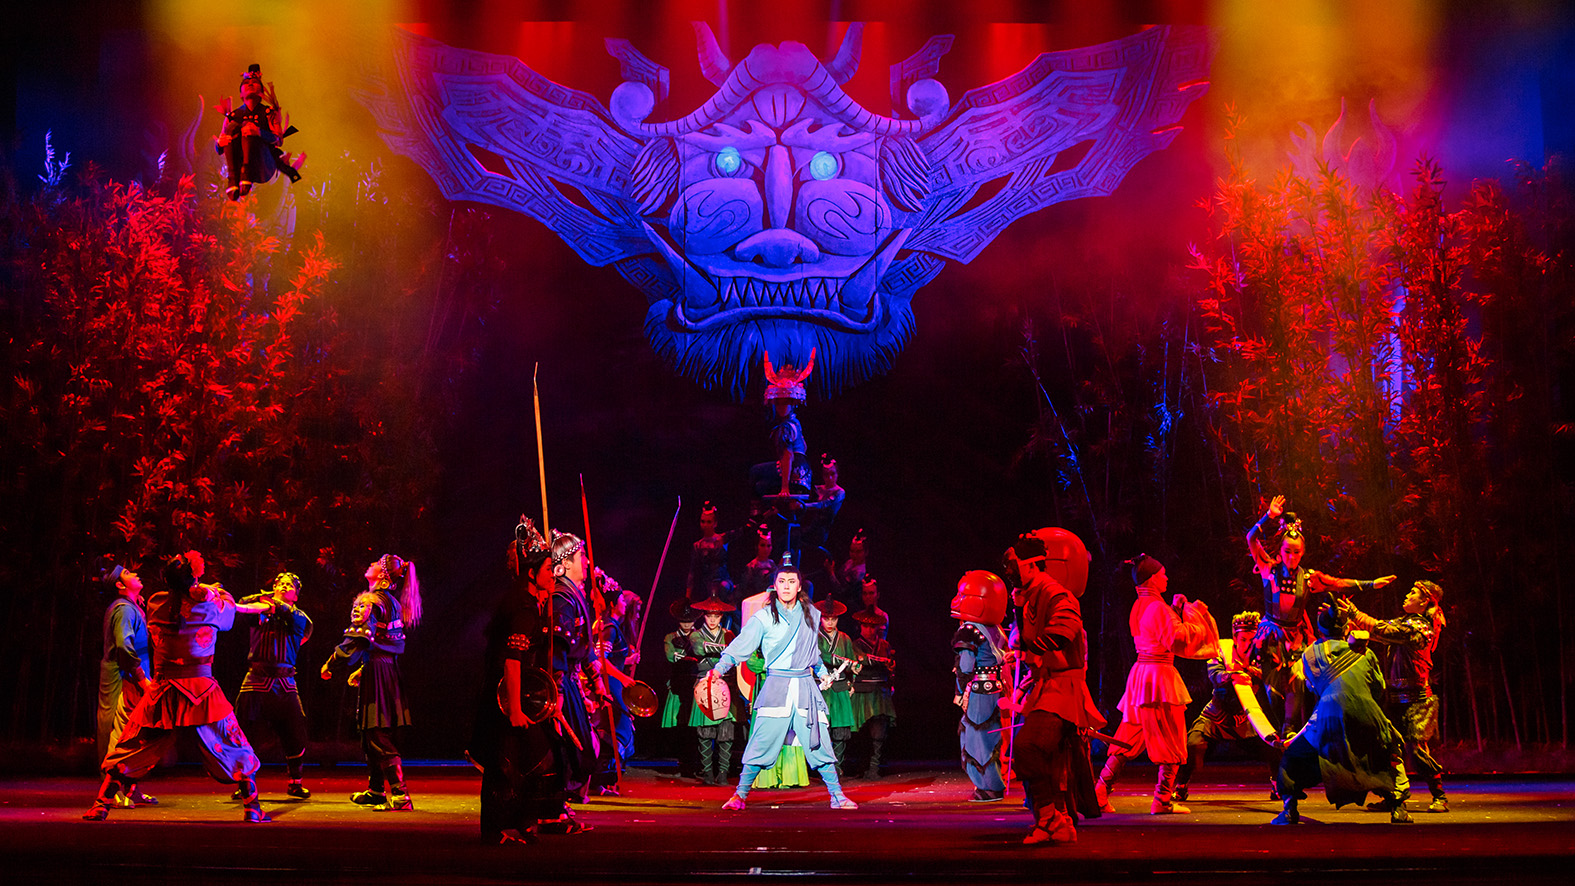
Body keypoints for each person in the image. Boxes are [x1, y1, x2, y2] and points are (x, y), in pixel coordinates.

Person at [86, 551, 272, 822]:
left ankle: (101, 803)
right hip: (201, 689)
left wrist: (195, 587)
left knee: (132, 745)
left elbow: (178, 599)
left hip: (164, 689)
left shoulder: (155, 603)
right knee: (232, 743)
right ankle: (252, 807)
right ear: (193, 580)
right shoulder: (210, 607)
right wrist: (210, 590)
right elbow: (229, 611)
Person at [700, 565, 858, 811]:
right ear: (775, 586)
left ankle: (837, 796)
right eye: (782, 581)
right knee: (760, 741)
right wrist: (719, 669)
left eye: (791, 581)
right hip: (776, 687)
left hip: (805, 688)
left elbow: (813, 655)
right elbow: (741, 645)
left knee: (819, 742)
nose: (786, 586)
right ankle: (739, 796)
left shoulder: (811, 615)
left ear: (799, 586)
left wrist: (823, 674)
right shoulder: (763, 617)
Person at [1246, 496, 1396, 732]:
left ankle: (1289, 728)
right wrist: (1268, 516)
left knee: (1297, 681)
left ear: (1303, 553)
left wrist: (1371, 584)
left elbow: (1338, 583)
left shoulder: (1309, 578)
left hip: (1296, 638)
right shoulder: (1268, 569)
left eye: (1296, 552)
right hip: (1271, 637)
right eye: (1287, 551)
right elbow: (1251, 539)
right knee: (1272, 691)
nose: (1291, 557)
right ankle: (1276, 730)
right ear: (1281, 551)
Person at [1094, 555, 1216, 814]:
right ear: (1151, 579)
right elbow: (1178, 639)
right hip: (1159, 678)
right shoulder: (1156, 608)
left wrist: (1176, 610)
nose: (1166, 578)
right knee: (1171, 736)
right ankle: (1162, 799)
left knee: (1129, 735)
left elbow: (1159, 631)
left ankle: (1100, 791)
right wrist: (1195, 614)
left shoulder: (1140, 605)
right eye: (1162, 574)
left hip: (1142, 676)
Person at [1005, 529, 1105, 845]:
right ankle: (1055, 822)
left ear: (1031, 565)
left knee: (1028, 746)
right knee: (1049, 760)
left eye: (1015, 566)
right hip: (1046, 686)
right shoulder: (1032, 595)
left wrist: (1031, 649)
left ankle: (1052, 819)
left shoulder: (1056, 594)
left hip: (1063, 688)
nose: (1011, 573)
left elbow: (1065, 629)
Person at [1271, 603, 1413, 825]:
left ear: (1320, 629)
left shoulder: (1309, 654)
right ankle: (1399, 808)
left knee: (1293, 757)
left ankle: (1289, 809)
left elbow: (1313, 687)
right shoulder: (1365, 653)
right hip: (1368, 712)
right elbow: (1378, 688)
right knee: (1388, 752)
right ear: (1347, 628)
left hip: (1329, 715)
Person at [474, 523, 570, 845]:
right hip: (507, 695)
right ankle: (496, 830)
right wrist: (514, 708)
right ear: (531, 573)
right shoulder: (522, 607)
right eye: (548, 569)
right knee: (507, 763)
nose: (553, 574)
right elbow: (512, 661)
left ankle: (521, 823)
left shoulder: (532, 602)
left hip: (522, 693)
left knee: (527, 760)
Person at [321, 553, 422, 811]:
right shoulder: (392, 602)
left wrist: (331, 662)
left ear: (383, 576)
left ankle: (400, 794)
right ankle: (376, 790)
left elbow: (357, 639)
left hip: (378, 670)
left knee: (376, 731)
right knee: (370, 731)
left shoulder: (370, 600)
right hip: (386, 669)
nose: (371, 564)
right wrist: (364, 666)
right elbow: (389, 642)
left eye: (376, 563)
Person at [1341, 580, 1450, 812]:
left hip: (1417, 700)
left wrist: (1355, 613)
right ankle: (1393, 795)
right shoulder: (1404, 622)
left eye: (1413, 593)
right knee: (1386, 747)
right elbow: (1379, 633)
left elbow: (1382, 630)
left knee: (1416, 750)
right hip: (1394, 697)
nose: (1407, 595)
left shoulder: (1420, 627)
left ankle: (1439, 795)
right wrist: (1351, 622)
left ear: (1424, 602)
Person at [1174, 611, 1283, 803]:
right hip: (1217, 716)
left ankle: (1278, 786)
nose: (1247, 644)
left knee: (1273, 746)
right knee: (1193, 745)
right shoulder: (1221, 651)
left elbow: (1272, 676)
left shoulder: (1262, 655)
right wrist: (1232, 675)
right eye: (1243, 639)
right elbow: (1214, 675)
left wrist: (1254, 671)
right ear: (1235, 637)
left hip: (1246, 719)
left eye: (1252, 639)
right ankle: (1180, 786)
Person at [233, 572, 314, 799]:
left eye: (289, 585)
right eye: (279, 584)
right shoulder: (259, 611)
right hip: (255, 678)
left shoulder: (300, 617)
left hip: (284, 681)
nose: (283, 586)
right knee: (243, 730)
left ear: (296, 595)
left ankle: (295, 782)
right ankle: (244, 783)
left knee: (295, 731)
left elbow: (288, 614)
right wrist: (265, 601)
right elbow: (243, 603)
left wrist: (272, 602)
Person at [94, 560, 154, 806]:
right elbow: (124, 646)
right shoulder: (124, 610)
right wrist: (142, 678)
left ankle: (130, 788)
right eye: (128, 573)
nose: (136, 573)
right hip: (122, 677)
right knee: (118, 732)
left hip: (130, 676)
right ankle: (111, 791)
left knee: (132, 733)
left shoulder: (133, 607)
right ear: (120, 585)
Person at [548, 531, 600, 803]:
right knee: (569, 746)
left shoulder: (575, 596)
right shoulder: (561, 599)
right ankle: (556, 803)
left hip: (570, 681)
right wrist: (557, 692)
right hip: (560, 682)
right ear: (566, 563)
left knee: (586, 745)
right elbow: (558, 649)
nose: (587, 561)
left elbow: (584, 646)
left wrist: (596, 681)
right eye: (581, 556)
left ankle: (564, 799)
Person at [951, 570, 1009, 802]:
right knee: (990, 737)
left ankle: (989, 787)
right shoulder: (995, 628)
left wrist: (960, 690)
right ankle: (991, 785)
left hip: (979, 692)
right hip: (996, 689)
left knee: (977, 738)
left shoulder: (969, 630)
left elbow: (966, 666)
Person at [688, 597, 738, 784]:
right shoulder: (696, 635)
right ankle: (707, 773)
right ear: (704, 616)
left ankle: (723, 773)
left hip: (725, 685)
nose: (712, 620)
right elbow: (700, 650)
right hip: (704, 684)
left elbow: (736, 654)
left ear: (721, 617)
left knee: (726, 732)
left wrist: (728, 650)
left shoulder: (729, 634)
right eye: (709, 616)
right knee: (705, 732)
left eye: (716, 616)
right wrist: (726, 649)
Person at [815, 598, 861, 775]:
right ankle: (823, 765)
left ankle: (837, 765)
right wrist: (847, 662)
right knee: (822, 728)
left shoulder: (845, 639)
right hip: (823, 687)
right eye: (826, 619)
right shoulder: (815, 637)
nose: (830, 622)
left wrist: (852, 680)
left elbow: (852, 664)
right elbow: (822, 656)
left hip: (840, 686)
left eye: (833, 619)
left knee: (841, 730)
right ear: (820, 618)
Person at [850, 607, 896, 778]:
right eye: (865, 626)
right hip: (862, 691)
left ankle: (875, 767)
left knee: (879, 730)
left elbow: (891, 670)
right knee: (860, 730)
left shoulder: (884, 645)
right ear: (860, 626)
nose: (869, 630)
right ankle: (860, 766)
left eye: (873, 626)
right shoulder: (855, 645)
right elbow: (862, 660)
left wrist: (890, 679)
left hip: (880, 691)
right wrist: (884, 661)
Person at [660, 601, 701, 776]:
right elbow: (671, 656)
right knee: (680, 725)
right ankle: (683, 762)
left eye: (689, 620)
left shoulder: (700, 636)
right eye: (683, 620)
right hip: (679, 683)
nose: (686, 624)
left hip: (697, 683)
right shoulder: (670, 637)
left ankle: (698, 762)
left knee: (697, 726)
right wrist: (687, 657)